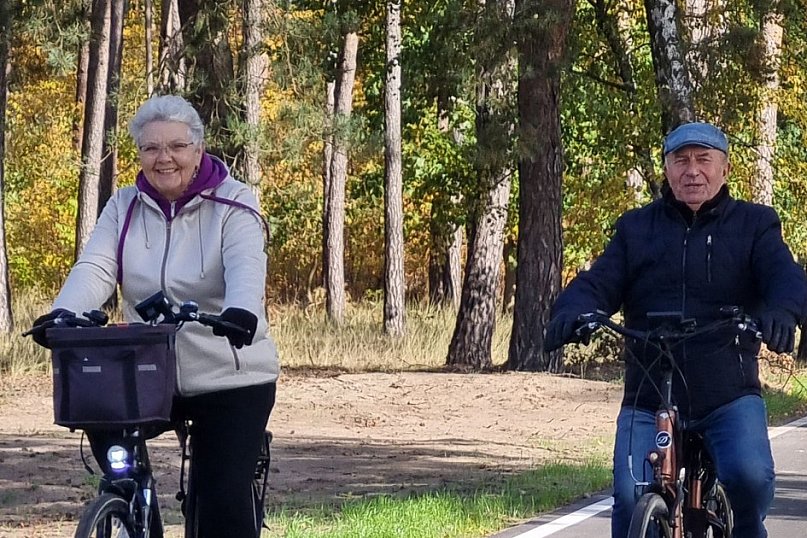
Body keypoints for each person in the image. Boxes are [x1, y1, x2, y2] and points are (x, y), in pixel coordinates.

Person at [31, 94, 279, 538]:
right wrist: (64, 314)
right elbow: (96, 267)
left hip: (229, 372)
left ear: (198, 149)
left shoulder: (235, 203)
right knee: (114, 456)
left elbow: (246, 265)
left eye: (177, 146)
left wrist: (242, 311)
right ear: (140, 155)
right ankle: (130, 511)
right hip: (146, 372)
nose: (164, 158)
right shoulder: (123, 207)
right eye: (150, 148)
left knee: (220, 496)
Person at [544, 121, 807, 538]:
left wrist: (783, 312)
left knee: (749, 477)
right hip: (649, 394)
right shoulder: (635, 229)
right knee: (631, 499)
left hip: (727, 390)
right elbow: (598, 282)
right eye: (681, 161)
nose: (692, 171)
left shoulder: (755, 225)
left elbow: (785, 278)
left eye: (704, 160)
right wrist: (572, 312)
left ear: (725, 168)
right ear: (666, 169)